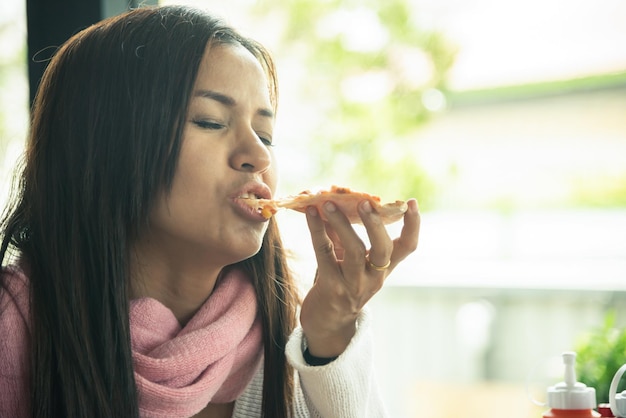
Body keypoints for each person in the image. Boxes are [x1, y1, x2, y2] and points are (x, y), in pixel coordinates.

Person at [0, 5, 420, 418]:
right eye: (210, 121)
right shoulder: (15, 330)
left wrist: (330, 340)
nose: (257, 155)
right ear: (105, 147)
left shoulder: (292, 339)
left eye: (266, 134)